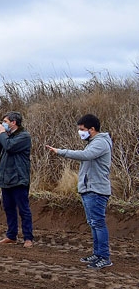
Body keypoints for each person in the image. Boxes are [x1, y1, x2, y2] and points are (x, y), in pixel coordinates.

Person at [46, 114, 113, 269]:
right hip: (89, 189)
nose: (80, 132)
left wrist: (61, 151)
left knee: (98, 223)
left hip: (96, 190)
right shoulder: (93, 142)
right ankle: (98, 254)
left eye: (82, 129)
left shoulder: (100, 142)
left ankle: (104, 257)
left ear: (92, 129)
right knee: (93, 223)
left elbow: (85, 155)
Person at [0, 111, 34, 248]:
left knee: (23, 209)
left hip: (19, 178)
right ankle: (11, 236)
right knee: (8, 208)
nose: (3, 123)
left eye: (5, 121)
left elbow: (10, 147)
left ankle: (28, 238)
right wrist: (1, 136)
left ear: (13, 122)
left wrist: (3, 134)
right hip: (6, 179)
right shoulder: (6, 137)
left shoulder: (24, 136)